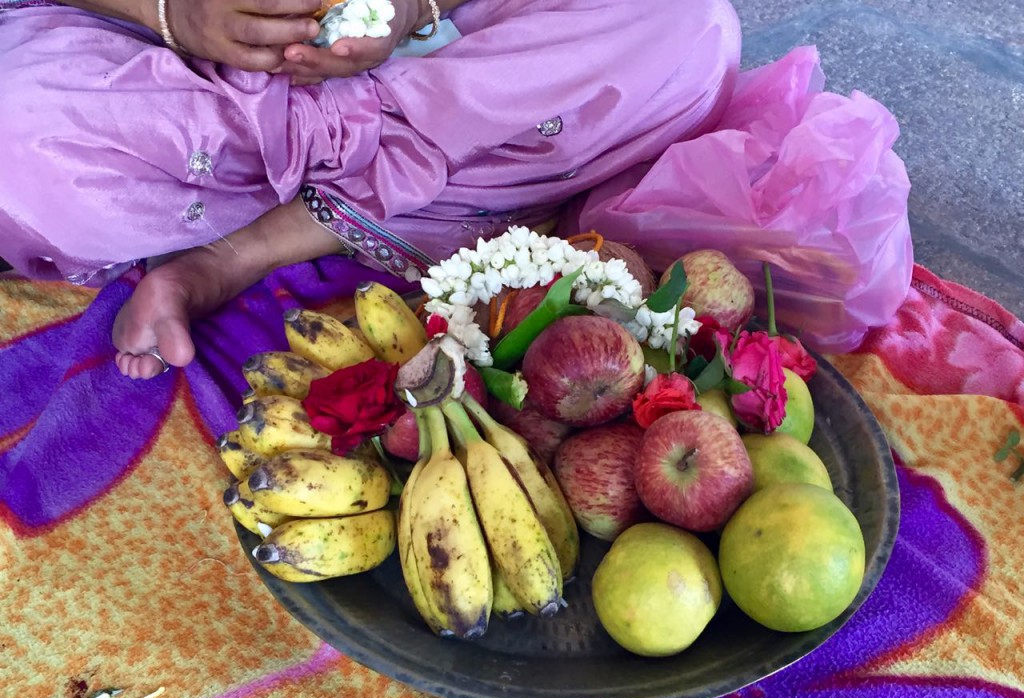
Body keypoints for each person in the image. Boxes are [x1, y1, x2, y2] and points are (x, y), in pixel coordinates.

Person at [0, 0, 741, 379]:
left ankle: (235, 252)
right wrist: (171, 13)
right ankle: (373, 159)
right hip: (144, 50)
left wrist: (412, 8)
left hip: (445, 54)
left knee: (688, 30)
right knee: (17, 140)